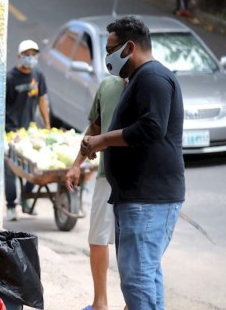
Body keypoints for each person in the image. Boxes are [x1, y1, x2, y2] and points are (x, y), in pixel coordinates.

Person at [81, 16, 185, 309]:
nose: (107, 57)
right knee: (145, 277)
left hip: (148, 197)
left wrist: (103, 141)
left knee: (137, 279)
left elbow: (152, 129)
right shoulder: (138, 79)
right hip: (137, 195)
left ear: (129, 47)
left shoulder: (152, 78)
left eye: (110, 49)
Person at [65, 76, 126, 310]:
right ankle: (100, 302)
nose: (110, 55)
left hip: (139, 179)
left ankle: (133, 302)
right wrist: (76, 164)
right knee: (98, 238)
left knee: (132, 242)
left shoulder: (148, 81)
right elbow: (95, 128)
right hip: (105, 175)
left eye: (114, 48)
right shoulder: (107, 85)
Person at [5, 39, 51, 221]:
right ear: (20, 56)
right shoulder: (10, 78)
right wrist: (5, 131)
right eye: (27, 54)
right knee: (10, 169)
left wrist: (46, 125)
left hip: (29, 130)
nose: (30, 58)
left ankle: (26, 198)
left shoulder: (38, 75)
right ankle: (10, 206)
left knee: (34, 167)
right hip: (11, 131)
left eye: (33, 54)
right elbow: (2, 106)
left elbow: (42, 100)